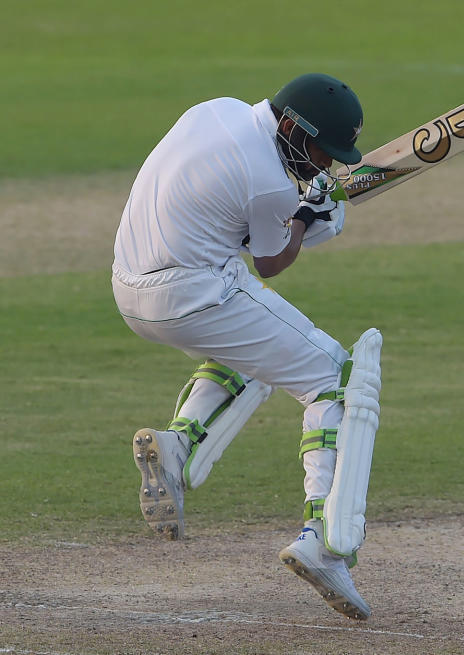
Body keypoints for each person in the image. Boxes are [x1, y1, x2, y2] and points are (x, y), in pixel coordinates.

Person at [111, 73, 383, 620]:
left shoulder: (219, 109)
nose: (323, 166)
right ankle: (325, 537)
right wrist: (312, 215)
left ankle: (178, 445)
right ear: (289, 126)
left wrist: (308, 214)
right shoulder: (270, 183)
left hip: (129, 286)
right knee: (334, 376)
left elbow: (232, 219)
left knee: (260, 351)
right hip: (195, 291)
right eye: (319, 152)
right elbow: (273, 260)